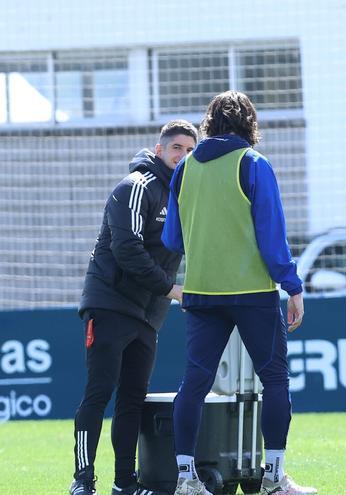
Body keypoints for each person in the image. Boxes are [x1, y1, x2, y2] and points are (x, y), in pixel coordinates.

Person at [161, 91, 316, 495]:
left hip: (201, 291)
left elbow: (172, 239)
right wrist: (293, 286)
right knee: (274, 380)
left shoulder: (185, 168)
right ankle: (274, 478)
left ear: (209, 124)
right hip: (252, 292)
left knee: (194, 383)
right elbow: (272, 236)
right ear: (250, 124)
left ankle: (186, 478)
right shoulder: (253, 163)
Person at [71, 120, 198, 495]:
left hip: (148, 315)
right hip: (110, 305)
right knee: (98, 393)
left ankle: (125, 484)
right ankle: (82, 480)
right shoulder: (135, 186)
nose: (183, 156)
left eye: (191, 150)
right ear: (160, 150)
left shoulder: (185, 194)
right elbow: (127, 250)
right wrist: (172, 290)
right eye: (177, 148)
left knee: (132, 401)